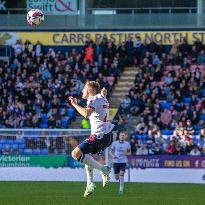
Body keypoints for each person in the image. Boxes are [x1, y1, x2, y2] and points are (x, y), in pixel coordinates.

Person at [69, 82, 115, 197]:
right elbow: (102, 100)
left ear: (89, 90)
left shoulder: (94, 99)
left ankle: (103, 170)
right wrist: (104, 94)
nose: (82, 92)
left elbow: (86, 113)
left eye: (84, 89)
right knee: (86, 156)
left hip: (100, 135)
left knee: (75, 154)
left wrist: (74, 104)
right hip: (106, 135)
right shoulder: (101, 98)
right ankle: (89, 183)